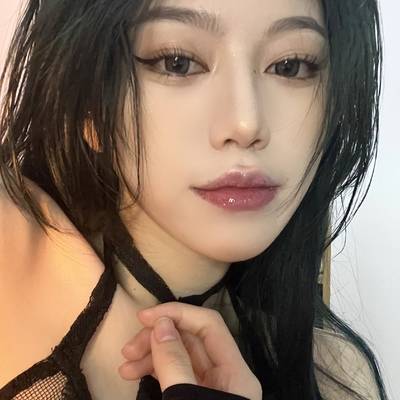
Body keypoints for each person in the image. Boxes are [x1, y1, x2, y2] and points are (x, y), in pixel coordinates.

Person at [0, 0, 389, 399]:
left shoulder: (335, 374)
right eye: (178, 63)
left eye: (291, 66)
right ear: (88, 105)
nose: (246, 124)